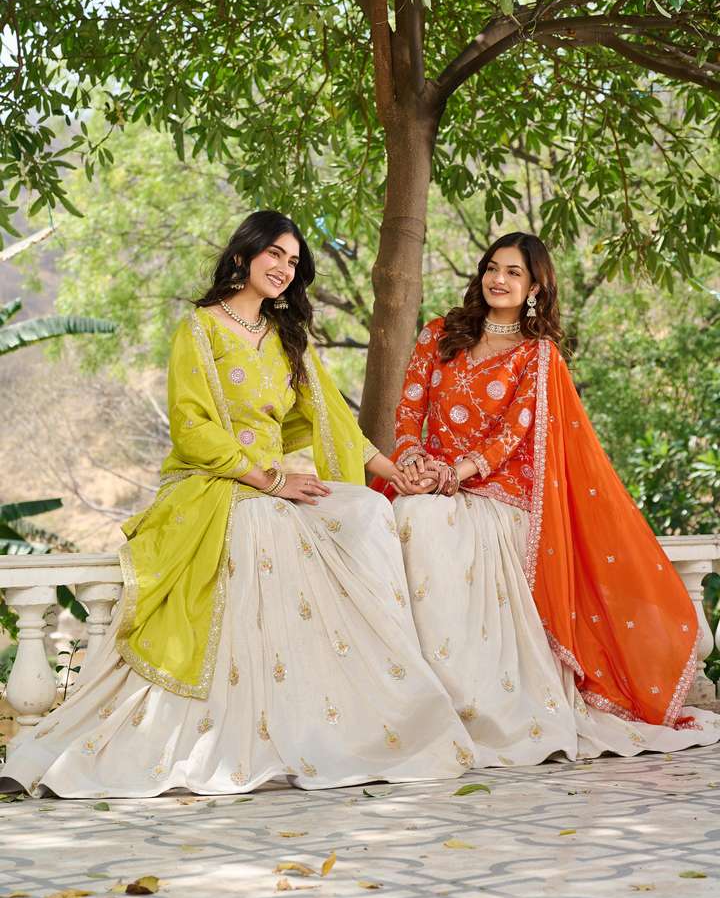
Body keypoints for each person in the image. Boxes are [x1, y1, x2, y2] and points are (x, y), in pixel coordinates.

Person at [0, 210, 475, 798]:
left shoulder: (287, 339)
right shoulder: (199, 329)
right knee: (266, 520)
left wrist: (395, 475)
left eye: (293, 261)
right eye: (275, 253)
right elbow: (191, 427)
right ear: (242, 255)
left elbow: (333, 422)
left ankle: (368, 701)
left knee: (366, 511)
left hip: (272, 484)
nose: (284, 268)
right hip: (213, 482)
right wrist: (270, 481)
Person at [373, 231, 720, 766]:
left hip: (495, 490)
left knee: (426, 522)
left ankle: (458, 702)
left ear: (535, 287)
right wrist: (415, 460)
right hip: (426, 477)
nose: (498, 279)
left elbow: (510, 438)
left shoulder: (536, 356)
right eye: (492, 268)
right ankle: (402, 699)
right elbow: (409, 409)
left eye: (513, 272)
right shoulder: (439, 333)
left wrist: (453, 475)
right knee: (400, 514)